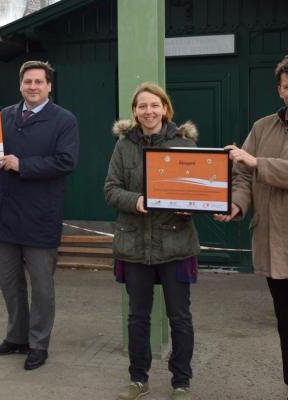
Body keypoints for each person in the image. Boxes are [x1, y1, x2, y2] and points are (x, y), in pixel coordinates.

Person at [104, 83, 199, 400]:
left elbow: (198, 190)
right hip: (134, 245)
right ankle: (138, 379)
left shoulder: (183, 143)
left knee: (180, 317)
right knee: (137, 317)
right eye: (142, 106)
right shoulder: (123, 146)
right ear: (135, 111)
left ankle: (181, 383)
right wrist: (137, 200)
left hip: (175, 243)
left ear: (165, 108)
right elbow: (111, 189)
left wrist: (190, 205)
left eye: (154, 105)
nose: (148, 111)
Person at [0, 60, 80, 371]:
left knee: (41, 287)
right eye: (28, 81)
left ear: (49, 86)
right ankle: (16, 337)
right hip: (7, 214)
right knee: (9, 282)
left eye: (39, 82)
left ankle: (38, 344)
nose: (33, 87)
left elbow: (65, 161)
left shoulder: (64, 121)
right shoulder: (3, 117)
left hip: (41, 215)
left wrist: (22, 165)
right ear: (20, 85)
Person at [214, 55, 288, 393]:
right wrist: (237, 203)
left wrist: (257, 162)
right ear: (280, 89)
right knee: (285, 325)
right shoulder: (261, 127)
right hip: (275, 249)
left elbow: (252, 163)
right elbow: (241, 174)